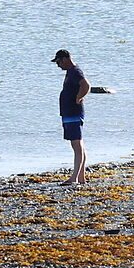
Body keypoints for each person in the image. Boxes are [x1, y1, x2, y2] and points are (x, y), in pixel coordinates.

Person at [52, 49, 103, 187]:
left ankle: (74, 178)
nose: (58, 65)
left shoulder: (75, 71)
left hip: (73, 113)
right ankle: (81, 177)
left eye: (58, 62)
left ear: (65, 59)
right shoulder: (71, 72)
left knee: (77, 145)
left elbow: (86, 85)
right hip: (69, 113)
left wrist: (79, 97)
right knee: (78, 144)